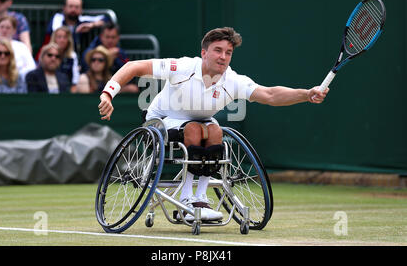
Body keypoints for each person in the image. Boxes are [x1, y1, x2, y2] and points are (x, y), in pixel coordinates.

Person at [97, 27, 329, 221]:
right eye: (217, 50)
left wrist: (305, 94)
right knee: (196, 128)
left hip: (201, 123)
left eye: (228, 53)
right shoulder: (182, 67)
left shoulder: (233, 80)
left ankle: (201, 198)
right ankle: (186, 199)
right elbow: (133, 67)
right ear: (204, 52)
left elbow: (269, 95)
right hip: (159, 121)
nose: (223, 57)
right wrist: (108, 94)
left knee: (215, 130)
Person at [39, 0, 108, 58]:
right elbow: (54, 37)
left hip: (77, 57)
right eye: (71, 6)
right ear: (64, 8)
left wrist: (92, 25)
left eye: (77, 7)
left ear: (81, 10)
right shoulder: (57, 19)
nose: (73, 10)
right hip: (58, 55)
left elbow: (107, 19)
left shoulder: (83, 20)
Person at [81, 22, 138, 93]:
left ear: (118, 38)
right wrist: (107, 56)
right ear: (101, 37)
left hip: (113, 85)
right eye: (107, 37)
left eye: (113, 37)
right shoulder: (92, 51)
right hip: (94, 84)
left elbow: (128, 70)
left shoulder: (120, 53)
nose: (110, 40)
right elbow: (86, 69)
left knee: (132, 88)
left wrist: (117, 59)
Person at [49, 26, 80, 92]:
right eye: (59, 37)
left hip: (67, 90)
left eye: (65, 37)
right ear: (54, 39)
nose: (62, 40)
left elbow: (75, 79)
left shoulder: (72, 55)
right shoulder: (48, 53)